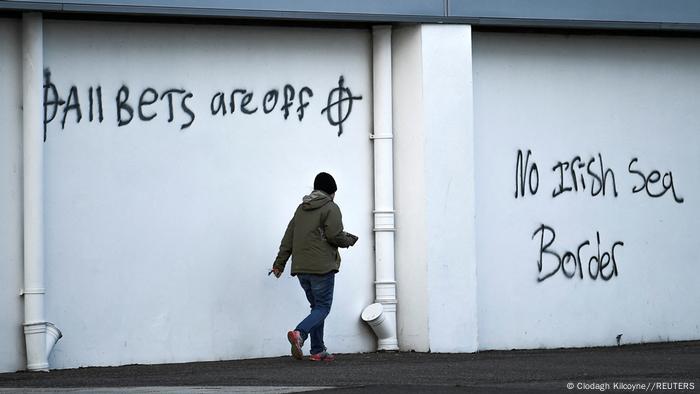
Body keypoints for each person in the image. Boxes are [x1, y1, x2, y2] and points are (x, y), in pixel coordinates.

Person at [271, 172, 358, 362]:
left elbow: (288, 238)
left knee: (316, 308)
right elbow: (335, 235)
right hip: (322, 267)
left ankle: (318, 350)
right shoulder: (330, 207)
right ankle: (299, 333)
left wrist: (279, 264)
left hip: (302, 269)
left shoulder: (301, 209)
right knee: (323, 308)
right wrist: (349, 240)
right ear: (331, 192)